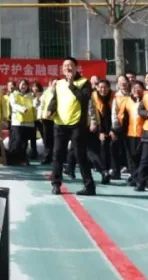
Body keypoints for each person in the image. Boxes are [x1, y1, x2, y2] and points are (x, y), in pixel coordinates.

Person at [46, 57, 96, 196]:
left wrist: (71, 84)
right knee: (57, 154)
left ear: (76, 68)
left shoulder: (84, 82)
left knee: (80, 155)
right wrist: (50, 109)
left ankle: (89, 186)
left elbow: (84, 98)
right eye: (64, 66)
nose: (67, 68)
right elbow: (55, 99)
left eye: (70, 65)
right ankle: (56, 184)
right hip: (60, 123)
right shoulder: (59, 83)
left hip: (77, 124)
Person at [88, 78, 114, 184]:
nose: (103, 89)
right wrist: (100, 132)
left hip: (106, 128)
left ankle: (105, 171)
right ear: (97, 88)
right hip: (95, 128)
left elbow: (114, 117)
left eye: (105, 87)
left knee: (92, 151)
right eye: (101, 87)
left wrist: (112, 130)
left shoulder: (113, 98)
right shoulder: (93, 97)